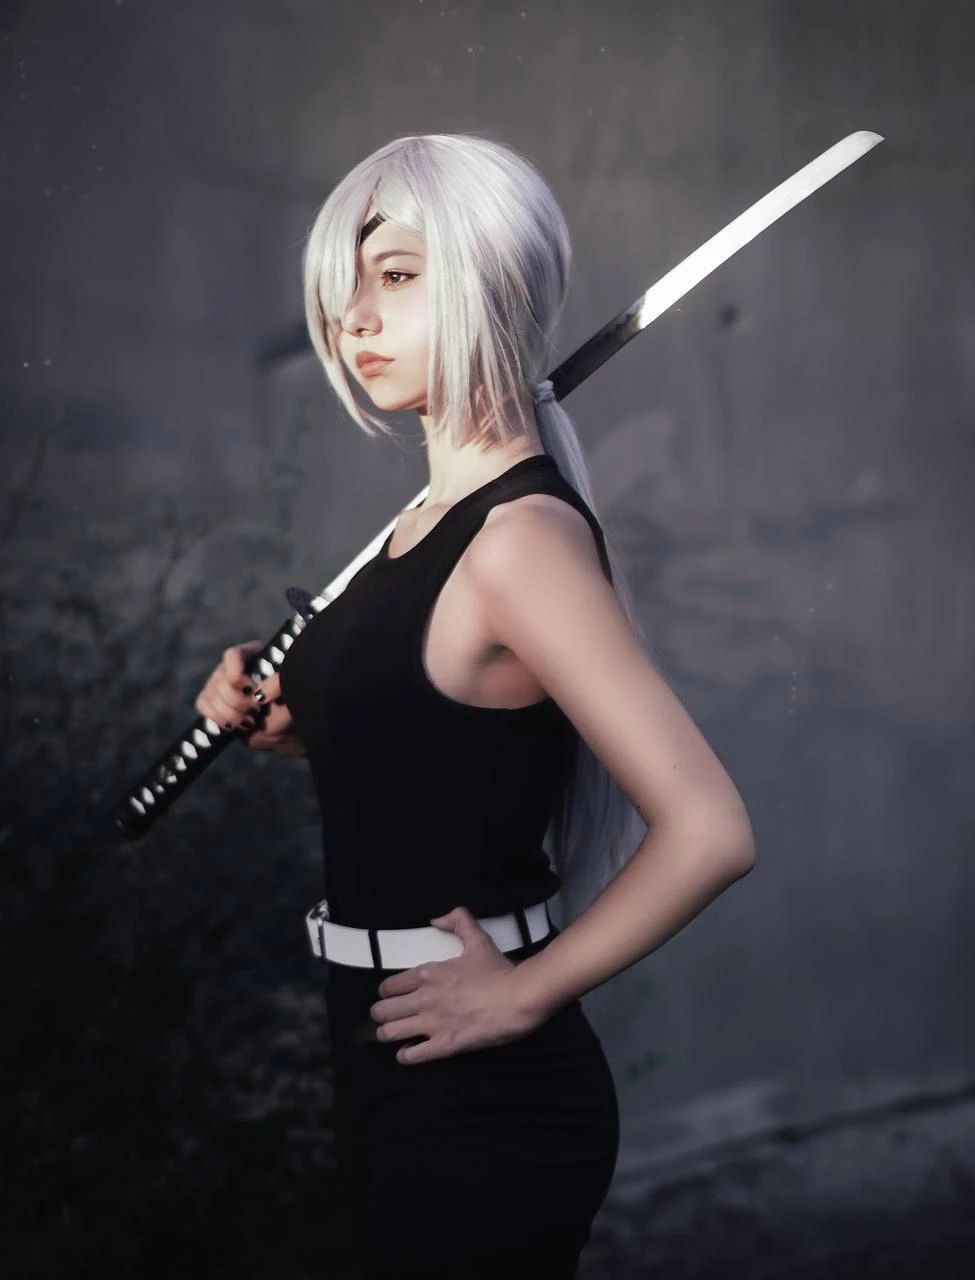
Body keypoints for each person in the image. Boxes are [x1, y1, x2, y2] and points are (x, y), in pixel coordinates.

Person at [195, 133, 757, 1278]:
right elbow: (444, 751)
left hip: (486, 1088)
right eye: (344, 286)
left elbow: (711, 830)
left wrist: (521, 996)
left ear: (493, 283)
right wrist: (293, 726)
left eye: (398, 275)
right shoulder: (417, 529)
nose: (355, 316)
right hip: (387, 1048)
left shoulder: (518, 541)